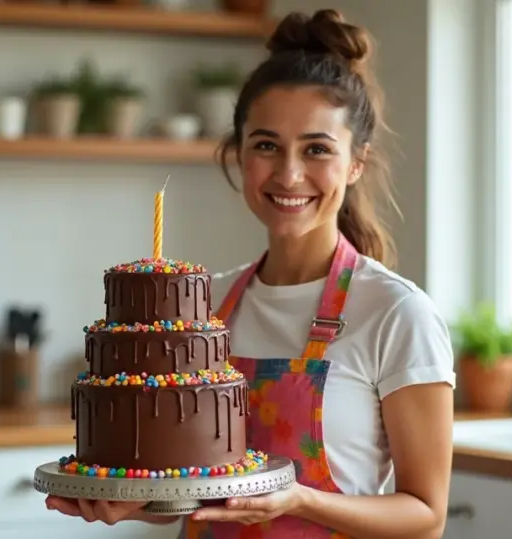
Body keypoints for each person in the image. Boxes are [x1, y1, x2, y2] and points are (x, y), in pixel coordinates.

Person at [46, 8, 455, 538]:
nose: (288, 173)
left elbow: (427, 517)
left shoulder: (397, 314)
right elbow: (198, 490)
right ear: (238, 154)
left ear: (356, 163)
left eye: (317, 150)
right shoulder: (203, 310)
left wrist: (297, 499)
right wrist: (133, 503)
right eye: (266, 145)